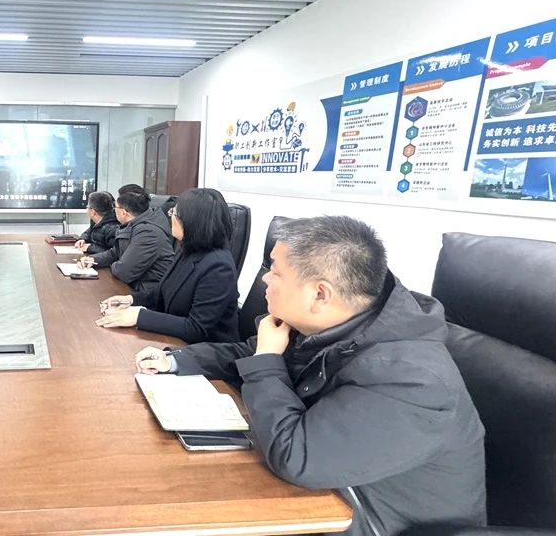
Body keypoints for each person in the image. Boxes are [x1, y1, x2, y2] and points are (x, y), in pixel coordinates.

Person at [134, 216, 486, 536]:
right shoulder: (341, 320)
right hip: (323, 489)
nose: (264, 278)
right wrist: (176, 360)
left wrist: (268, 359)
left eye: (275, 272)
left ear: (319, 294)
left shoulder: (412, 379)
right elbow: (252, 352)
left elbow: (295, 456)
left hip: (364, 518)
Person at [96, 188, 238, 344]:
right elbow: (161, 293)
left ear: (192, 221)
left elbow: (196, 328)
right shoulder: (187, 250)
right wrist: (131, 300)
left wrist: (139, 316)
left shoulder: (219, 267)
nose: (170, 218)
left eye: (174, 214)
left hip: (207, 351)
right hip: (175, 340)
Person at [78, 184, 173, 293]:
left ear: (124, 213)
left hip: (147, 293)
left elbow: (123, 272)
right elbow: (115, 252)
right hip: (133, 286)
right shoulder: (133, 225)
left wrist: (115, 263)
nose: (113, 210)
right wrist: (93, 259)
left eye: (115, 207)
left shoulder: (148, 233)